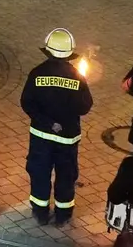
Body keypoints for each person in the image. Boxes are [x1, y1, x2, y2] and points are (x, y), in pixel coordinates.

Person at [20, 28, 93, 226]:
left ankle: (40, 212)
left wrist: (47, 122)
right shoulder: (77, 77)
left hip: (41, 135)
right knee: (66, 175)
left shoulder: (37, 73)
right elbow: (85, 107)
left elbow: (27, 103)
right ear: (69, 53)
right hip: (68, 138)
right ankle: (63, 214)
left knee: (39, 172)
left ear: (48, 51)